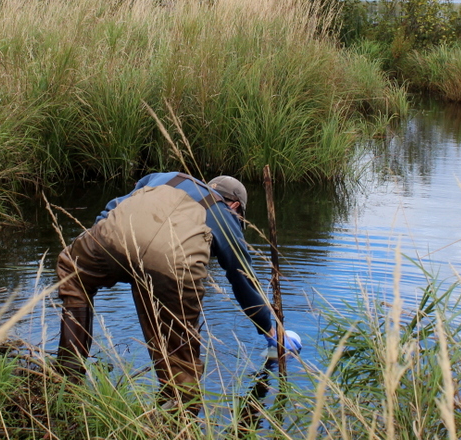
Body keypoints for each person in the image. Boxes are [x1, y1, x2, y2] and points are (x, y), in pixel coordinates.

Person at [54, 172, 299, 411]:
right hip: (173, 264)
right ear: (235, 204)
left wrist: (106, 240)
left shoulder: (165, 176)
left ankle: (67, 380)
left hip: (111, 235)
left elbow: (114, 207)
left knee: (73, 272)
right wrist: (270, 329)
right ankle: (178, 426)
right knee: (180, 355)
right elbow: (243, 280)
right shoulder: (225, 213)